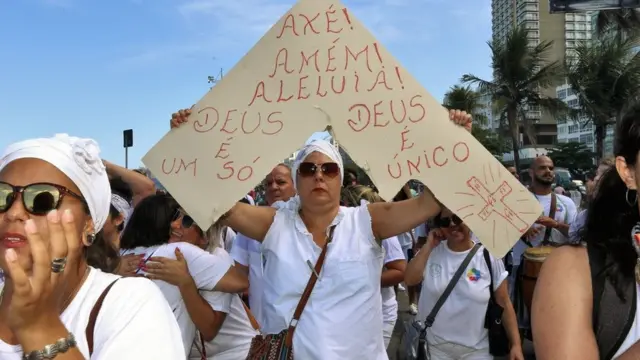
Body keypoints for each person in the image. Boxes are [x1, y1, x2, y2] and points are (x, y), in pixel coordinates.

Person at [169, 107, 473, 359]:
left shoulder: (367, 221)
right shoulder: (273, 223)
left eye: (328, 169)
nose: (318, 175)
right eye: (308, 169)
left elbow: (429, 203)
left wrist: (458, 141)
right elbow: (214, 202)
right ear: (298, 179)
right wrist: (189, 142)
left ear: (340, 179)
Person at [0, 134, 184, 359]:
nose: (13, 212)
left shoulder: (129, 303)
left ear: (88, 224)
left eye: (43, 199)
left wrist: (40, 327)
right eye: (3, 196)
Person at [532, 107, 640, 359]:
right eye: (543, 168)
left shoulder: (567, 205)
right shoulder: (574, 269)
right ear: (628, 171)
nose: (548, 172)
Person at [119, 194, 249, 357]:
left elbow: (210, 329)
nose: (175, 225)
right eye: (174, 217)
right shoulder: (174, 253)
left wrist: (185, 281)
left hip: (234, 353)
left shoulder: (214, 255)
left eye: (186, 221)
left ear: (205, 236)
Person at [405, 207, 523, 360]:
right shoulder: (432, 253)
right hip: (434, 349)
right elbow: (410, 279)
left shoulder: (488, 257)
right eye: (445, 221)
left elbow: (504, 303)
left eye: (458, 218)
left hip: (477, 351)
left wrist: (516, 345)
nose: (453, 224)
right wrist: (428, 246)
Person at [230, 163, 296, 323]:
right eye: (268, 183)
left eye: (280, 182)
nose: (273, 187)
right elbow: (238, 277)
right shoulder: (248, 226)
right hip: (262, 326)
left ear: (295, 186)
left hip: (301, 327)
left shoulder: (308, 224)